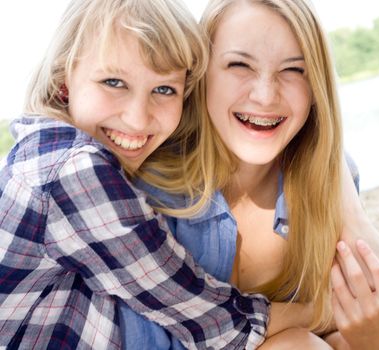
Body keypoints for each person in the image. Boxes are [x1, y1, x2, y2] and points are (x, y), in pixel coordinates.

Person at [0, 0, 318, 348]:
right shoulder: (73, 170)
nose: (138, 118)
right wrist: (321, 312)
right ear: (64, 82)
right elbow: (214, 324)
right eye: (113, 82)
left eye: (164, 89)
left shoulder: (42, 152)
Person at [119, 0, 379, 349]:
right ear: (200, 75)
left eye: (294, 70)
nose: (265, 96)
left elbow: (340, 330)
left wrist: (374, 339)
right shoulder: (150, 186)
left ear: (315, 89)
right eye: (239, 64)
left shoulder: (323, 177)